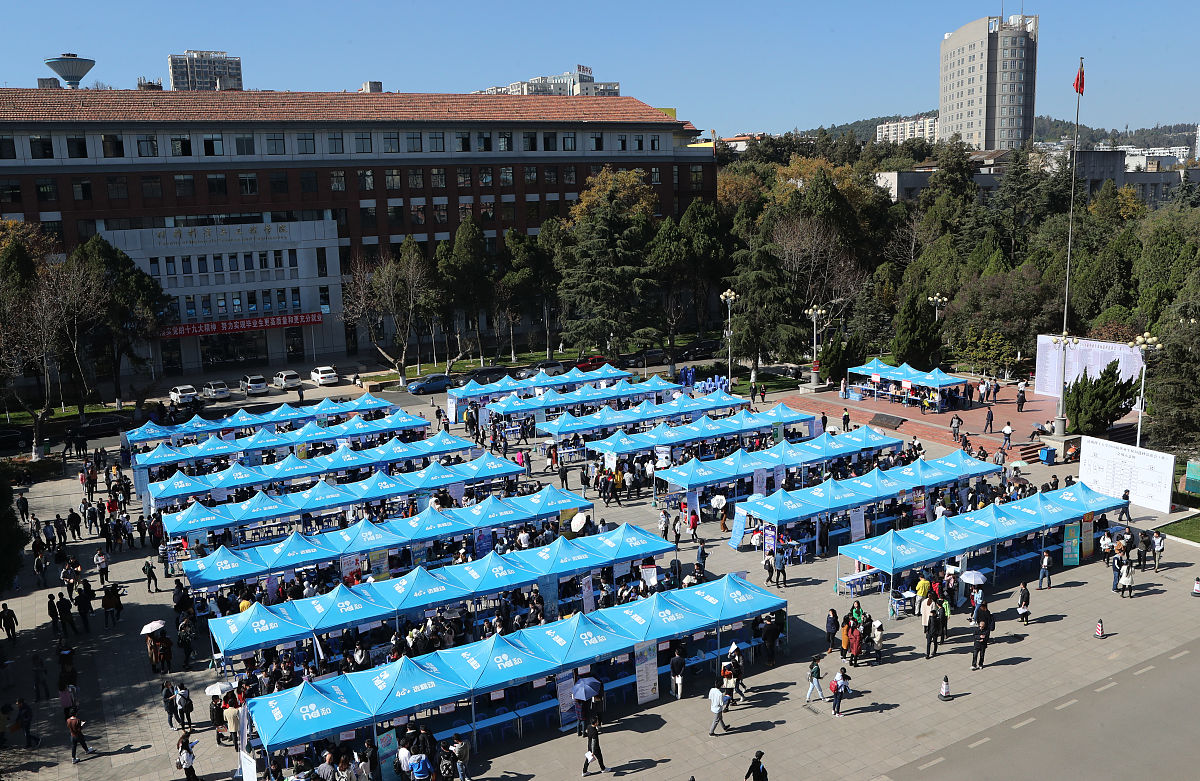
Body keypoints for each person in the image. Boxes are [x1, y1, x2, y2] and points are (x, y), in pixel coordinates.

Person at [971, 602, 993, 670]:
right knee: (980, 654)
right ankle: (979, 664)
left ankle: (976, 664)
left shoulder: (979, 610)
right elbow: (989, 621)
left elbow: (977, 617)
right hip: (984, 627)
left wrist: (979, 623)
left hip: (981, 626)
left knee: (978, 654)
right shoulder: (987, 612)